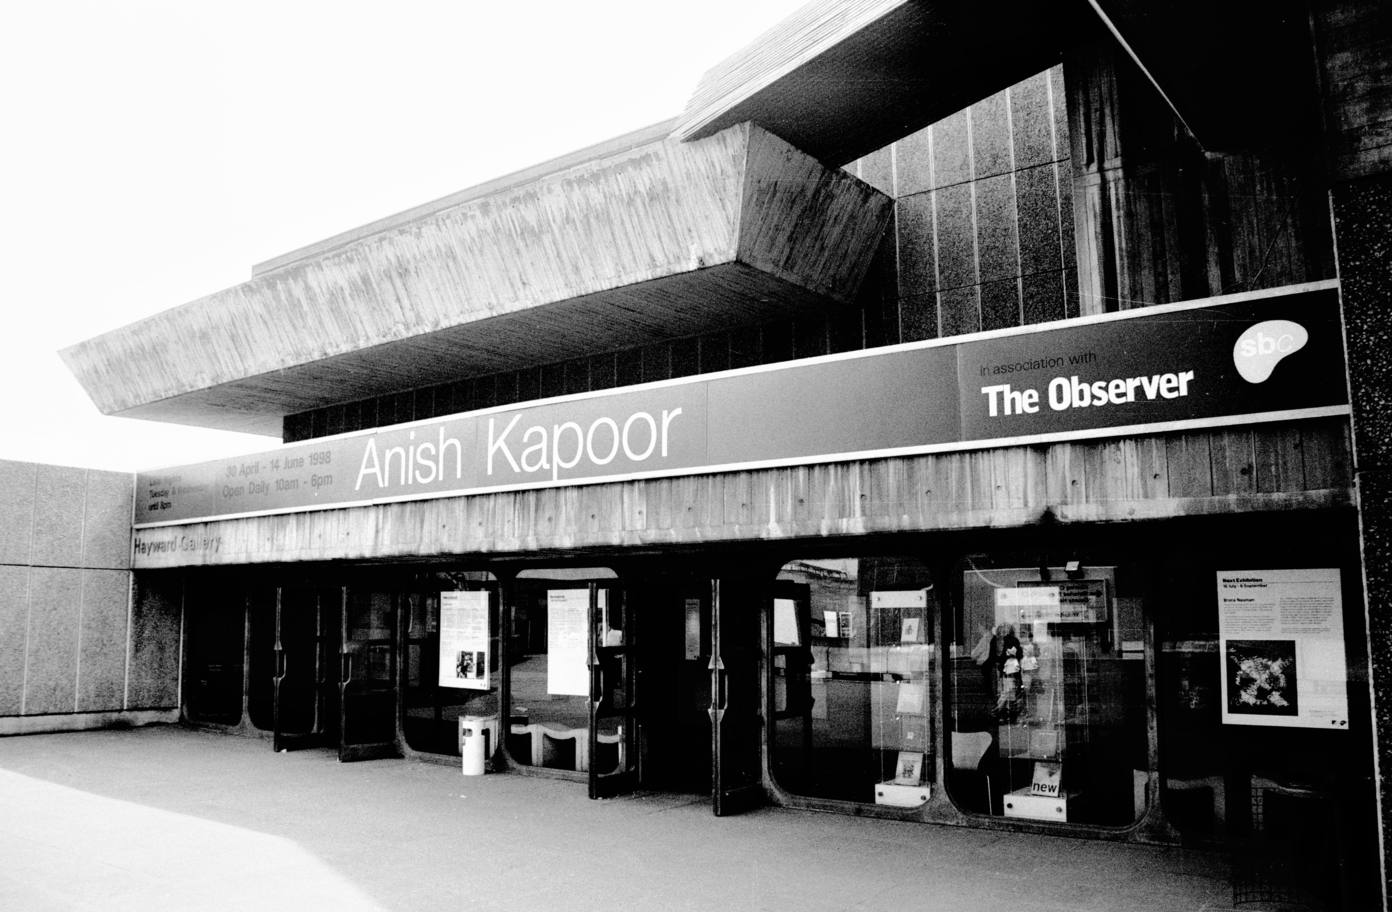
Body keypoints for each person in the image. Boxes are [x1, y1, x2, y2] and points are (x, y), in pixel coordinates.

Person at [993, 624, 1022, 720]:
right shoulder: (1011, 641)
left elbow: (1000, 657)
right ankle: (1005, 712)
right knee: (1009, 692)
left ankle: (1000, 712)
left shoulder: (1002, 641)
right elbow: (1018, 653)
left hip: (1007, 670)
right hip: (1010, 670)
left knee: (1007, 692)